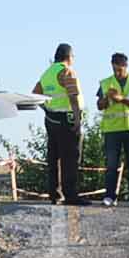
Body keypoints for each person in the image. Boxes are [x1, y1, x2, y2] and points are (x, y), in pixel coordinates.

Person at [33, 44, 85, 205]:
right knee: (70, 158)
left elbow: (35, 94)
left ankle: (55, 194)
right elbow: (73, 95)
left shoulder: (47, 73)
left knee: (53, 157)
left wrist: (48, 109)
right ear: (68, 57)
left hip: (52, 120)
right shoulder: (66, 71)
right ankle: (71, 195)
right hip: (67, 119)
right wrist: (77, 118)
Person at [93, 53, 129, 207]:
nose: (117, 73)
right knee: (111, 165)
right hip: (112, 129)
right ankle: (110, 196)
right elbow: (99, 105)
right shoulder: (106, 83)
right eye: (115, 69)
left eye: (120, 70)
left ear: (126, 66)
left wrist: (121, 99)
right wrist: (107, 98)